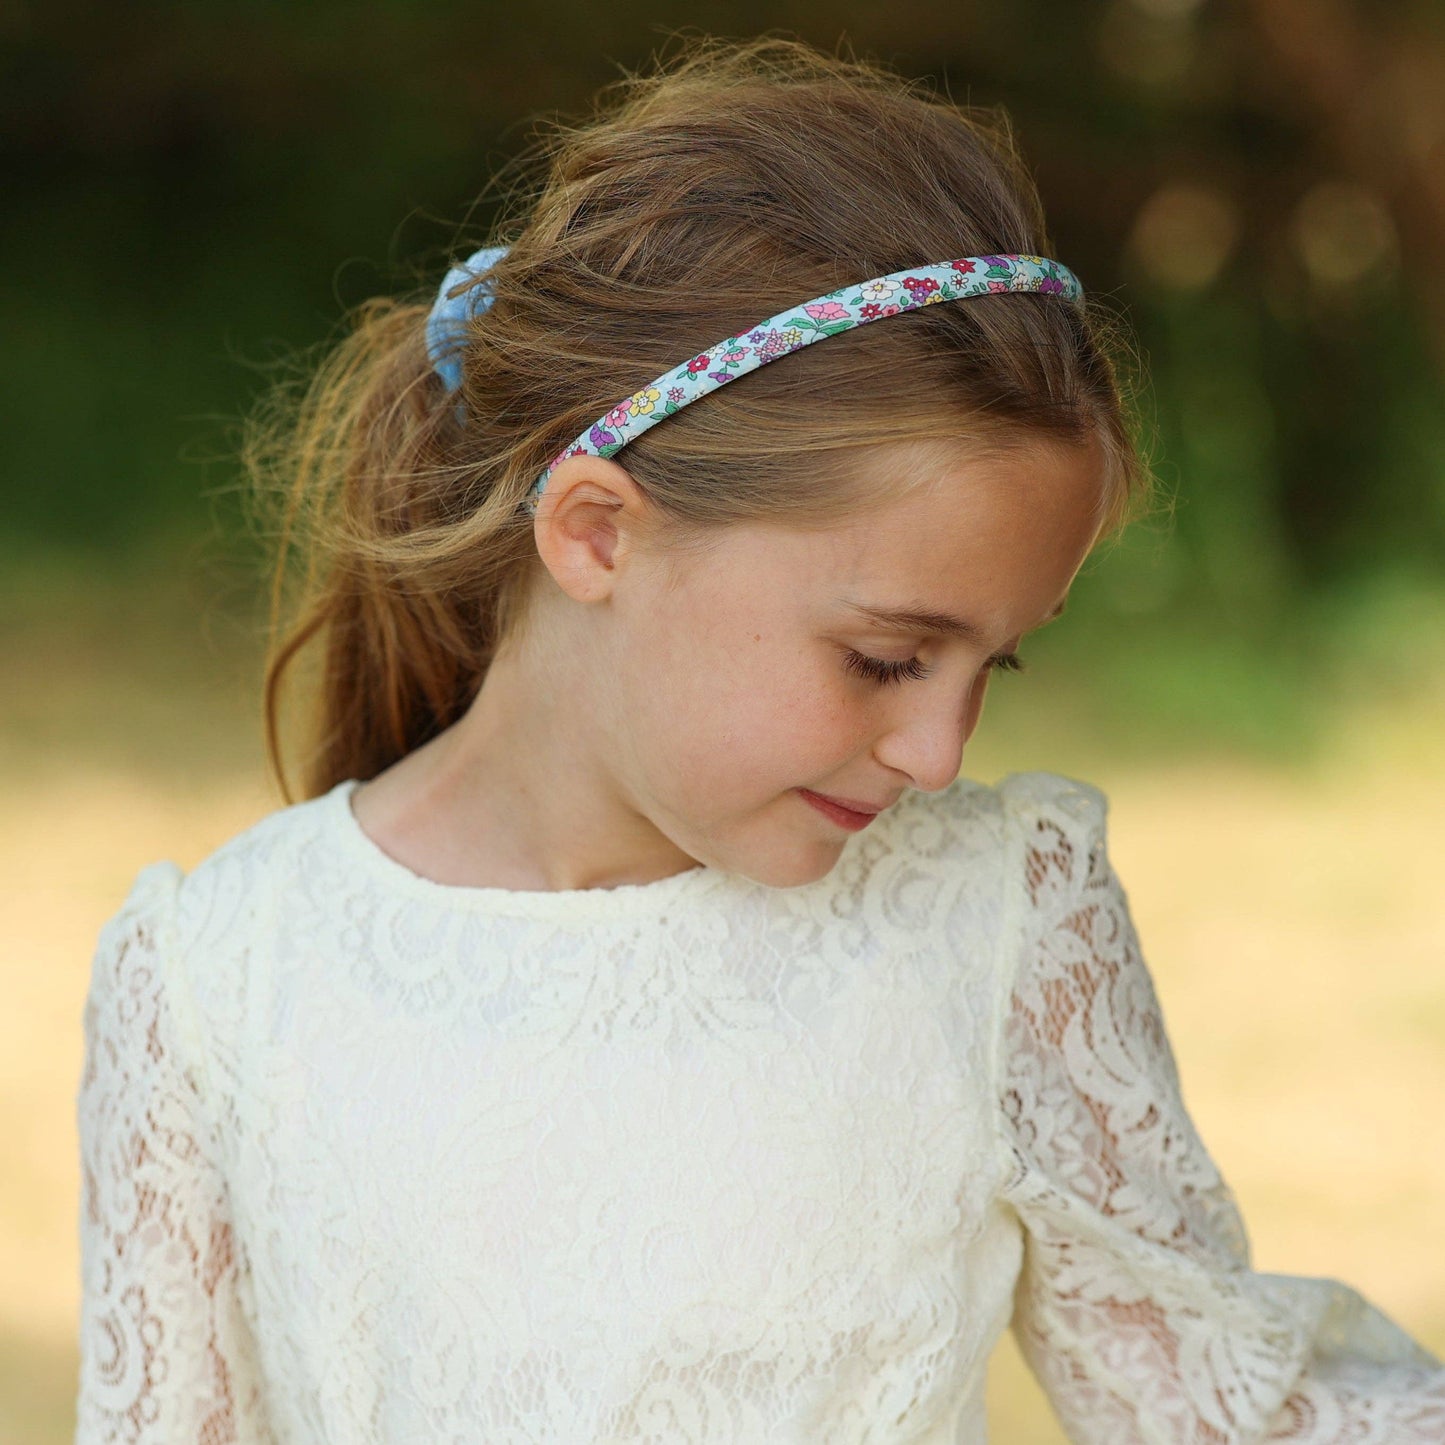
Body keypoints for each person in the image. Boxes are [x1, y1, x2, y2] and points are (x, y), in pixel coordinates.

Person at [74, 36, 1443, 1445]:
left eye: (993, 663)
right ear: (596, 532)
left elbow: (1229, 1405)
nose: (935, 750)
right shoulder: (221, 982)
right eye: (887, 657)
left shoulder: (991, 919)